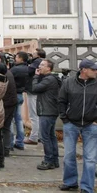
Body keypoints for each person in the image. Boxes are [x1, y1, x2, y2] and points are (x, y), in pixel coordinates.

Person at [58, 59, 97, 192]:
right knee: (69, 155)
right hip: (71, 124)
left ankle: (87, 188)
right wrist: (65, 118)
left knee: (90, 159)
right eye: (93, 69)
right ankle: (70, 182)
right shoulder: (68, 82)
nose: (96, 71)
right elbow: (61, 101)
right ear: (84, 70)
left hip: (91, 125)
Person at [27, 59, 61, 170]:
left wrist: (36, 77)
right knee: (51, 137)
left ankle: (48, 160)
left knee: (45, 137)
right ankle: (54, 160)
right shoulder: (51, 78)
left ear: (48, 68)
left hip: (47, 111)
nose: (39, 67)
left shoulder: (49, 80)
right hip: (50, 110)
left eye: (42, 65)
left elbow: (35, 89)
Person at [24, 48, 46, 146]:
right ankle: (41, 136)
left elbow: (28, 71)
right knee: (39, 115)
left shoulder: (37, 62)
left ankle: (34, 137)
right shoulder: (43, 62)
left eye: (34, 52)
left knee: (34, 115)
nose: (32, 53)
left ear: (38, 55)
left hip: (33, 91)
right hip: (40, 91)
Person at [9, 51, 29, 151]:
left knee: (11, 120)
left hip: (13, 95)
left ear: (21, 58)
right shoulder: (28, 69)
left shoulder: (15, 69)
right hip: (21, 95)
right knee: (19, 120)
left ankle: (11, 142)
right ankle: (20, 142)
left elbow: (7, 77)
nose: (15, 59)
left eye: (16, 57)